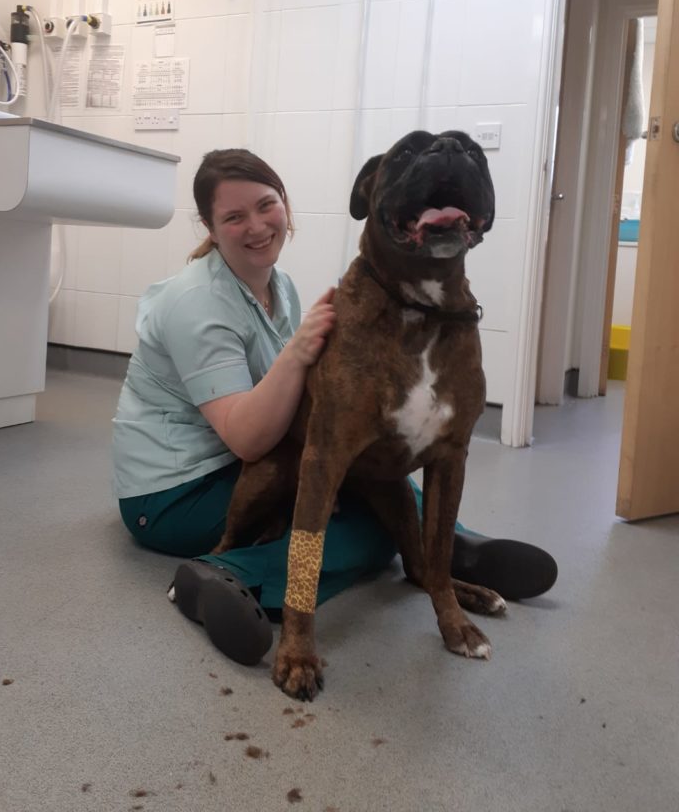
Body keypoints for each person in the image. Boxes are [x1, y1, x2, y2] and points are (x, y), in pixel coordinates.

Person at [112, 149, 557, 666]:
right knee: (369, 529)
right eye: (234, 217)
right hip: (175, 491)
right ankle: (233, 574)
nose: (256, 226)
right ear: (209, 226)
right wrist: (300, 353)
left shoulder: (279, 286)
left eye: (266, 205)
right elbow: (246, 438)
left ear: (285, 206)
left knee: (381, 464)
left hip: (242, 458)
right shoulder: (194, 303)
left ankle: (443, 549)